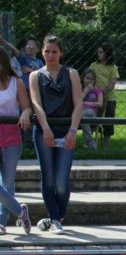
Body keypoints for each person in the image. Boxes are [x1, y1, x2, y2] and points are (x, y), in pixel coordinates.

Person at [29, 35, 82, 235]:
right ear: (42, 52)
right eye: (47, 51)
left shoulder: (72, 74)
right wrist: (46, 128)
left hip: (66, 128)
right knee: (48, 178)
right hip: (44, 129)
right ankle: (55, 218)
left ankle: (56, 216)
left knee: (61, 180)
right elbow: (36, 103)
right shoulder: (36, 75)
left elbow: (78, 104)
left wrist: (72, 131)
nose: (50, 55)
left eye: (54, 51)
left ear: (61, 53)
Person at [0, 48, 33, 235]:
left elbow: (26, 107)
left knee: (8, 181)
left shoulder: (16, 82)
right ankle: (20, 211)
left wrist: (26, 115)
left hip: (11, 136)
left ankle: (1, 222)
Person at [88, 42, 118, 148]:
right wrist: (95, 92)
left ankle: (106, 145)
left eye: (101, 52)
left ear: (107, 54)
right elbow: (89, 79)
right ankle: (89, 141)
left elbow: (112, 83)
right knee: (93, 119)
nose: (98, 53)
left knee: (108, 120)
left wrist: (103, 93)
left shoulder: (113, 68)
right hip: (94, 98)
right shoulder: (93, 65)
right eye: (98, 51)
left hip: (109, 98)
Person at [80, 69, 103, 150]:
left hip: (92, 112)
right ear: (83, 79)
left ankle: (89, 142)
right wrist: (86, 90)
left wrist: (85, 103)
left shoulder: (97, 90)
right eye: (87, 78)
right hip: (80, 113)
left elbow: (100, 103)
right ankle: (91, 143)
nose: (89, 80)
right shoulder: (79, 89)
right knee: (81, 115)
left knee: (81, 115)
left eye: (91, 79)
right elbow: (79, 100)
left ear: (94, 80)